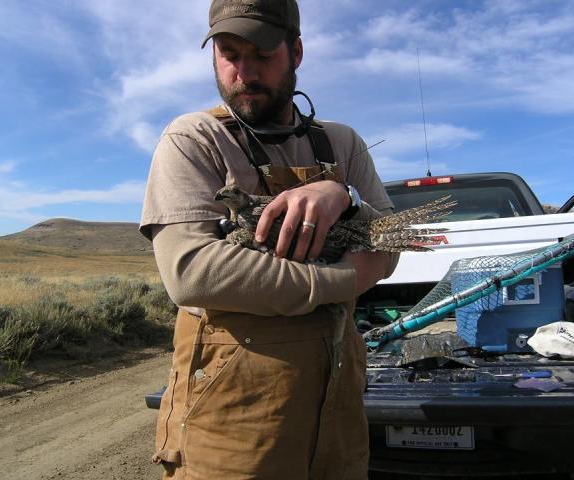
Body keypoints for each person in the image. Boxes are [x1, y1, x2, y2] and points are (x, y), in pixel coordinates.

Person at [139, 1, 398, 478]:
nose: (243, 71)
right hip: (233, 426)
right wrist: (345, 277)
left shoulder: (342, 144)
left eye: (261, 54)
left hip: (339, 417)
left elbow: (391, 243)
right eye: (228, 53)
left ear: (295, 52)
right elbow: (193, 274)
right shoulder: (194, 138)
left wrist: (342, 194)